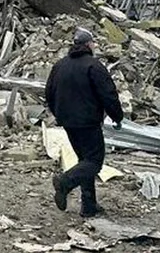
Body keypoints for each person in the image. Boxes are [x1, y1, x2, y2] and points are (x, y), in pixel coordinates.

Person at [45, 27, 123, 218]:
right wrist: (117, 116)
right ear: (89, 45)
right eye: (93, 43)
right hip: (88, 122)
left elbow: (49, 93)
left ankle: (89, 206)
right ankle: (65, 182)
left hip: (68, 122)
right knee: (94, 162)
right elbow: (108, 94)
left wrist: (59, 114)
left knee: (85, 161)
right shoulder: (93, 66)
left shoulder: (60, 66)